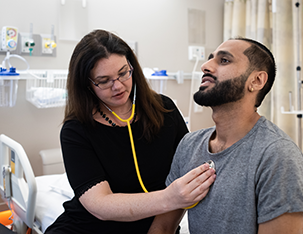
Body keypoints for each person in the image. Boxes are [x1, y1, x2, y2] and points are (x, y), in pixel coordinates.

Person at [45, 29, 216, 234]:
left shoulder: (164, 110)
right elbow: (100, 204)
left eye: (123, 73)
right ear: (87, 84)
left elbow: (186, 173)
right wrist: (170, 198)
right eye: (104, 80)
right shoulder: (76, 129)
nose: (117, 86)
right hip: (87, 226)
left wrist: (162, 226)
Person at [148, 38, 303, 234]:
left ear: (256, 81)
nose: (205, 66)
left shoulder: (278, 155)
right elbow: (163, 227)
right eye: (209, 59)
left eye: (224, 60)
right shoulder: (189, 145)